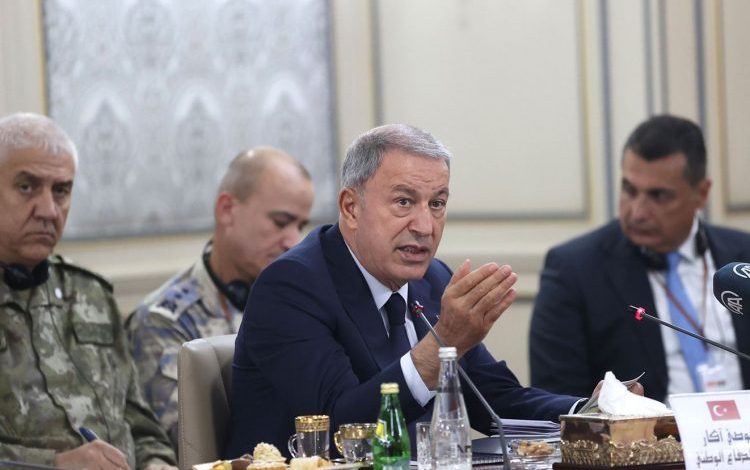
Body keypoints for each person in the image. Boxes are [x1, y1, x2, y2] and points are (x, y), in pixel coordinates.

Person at [225, 123, 605, 458]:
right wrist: (441, 348)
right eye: (404, 202)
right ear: (351, 208)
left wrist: (596, 413)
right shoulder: (291, 288)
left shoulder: (433, 280)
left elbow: (495, 401)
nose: (425, 226)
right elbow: (344, 431)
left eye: (437, 204)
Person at [529, 114, 750, 402]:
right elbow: (557, 400)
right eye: (629, 190)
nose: (637, 212)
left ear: (701, 193)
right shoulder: (574, 271)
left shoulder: (743, 254)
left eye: (658, 196)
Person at [0, 112, 177, 470]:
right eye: (26, 187)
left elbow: (144, 432)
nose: (48, 210)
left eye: (61, 191)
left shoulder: (91, 294)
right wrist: (56, 465)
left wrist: (159, 465)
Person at [127, 147, 314, 446]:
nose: (294, 241)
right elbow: (192, 441)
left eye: (300, 226)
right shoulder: (162, 321)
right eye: (281, 222)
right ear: (227, 210)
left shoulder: (303, 307)